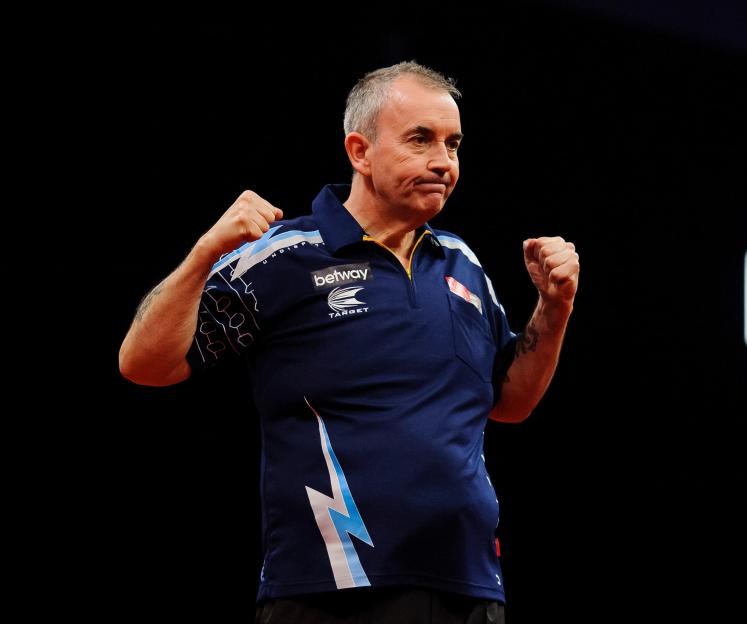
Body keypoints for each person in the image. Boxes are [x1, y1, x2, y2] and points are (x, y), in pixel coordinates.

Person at [119, 61, 579, 624]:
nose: (443, 161)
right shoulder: (286, 254)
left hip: (470, 586)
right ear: (360, 151)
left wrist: (554, 309)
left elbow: (510, 403)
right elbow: (144, 364)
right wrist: (204, 254)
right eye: (420, 140)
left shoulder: (464, 262)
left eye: (454, 144)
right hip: (334, 590)